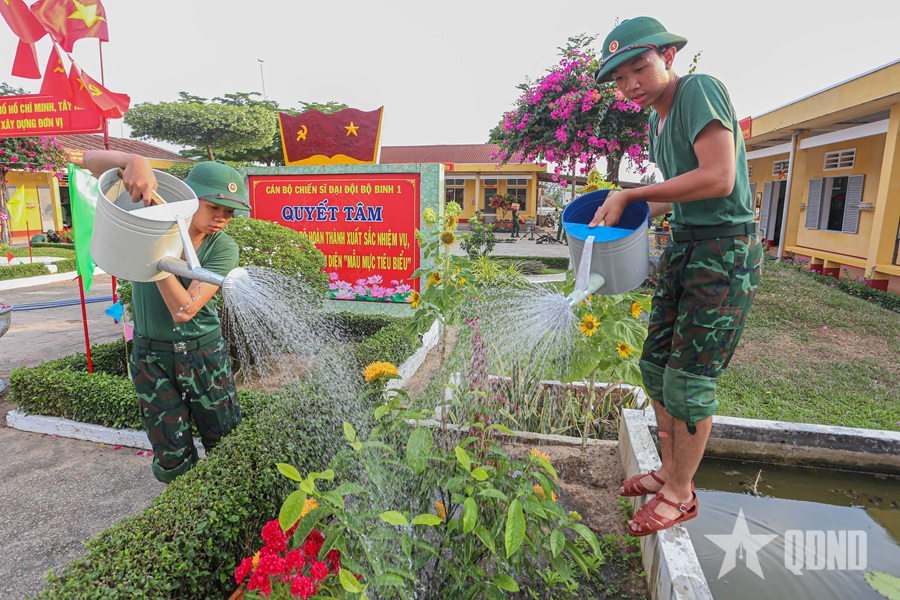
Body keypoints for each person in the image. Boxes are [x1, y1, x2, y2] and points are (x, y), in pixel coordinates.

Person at [590, 17, 762, 536]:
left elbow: (719, 176)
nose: (631, 85)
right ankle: (668, 470)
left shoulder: (699, 91)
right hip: (686, 247)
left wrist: (632, 193)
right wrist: (625, 218)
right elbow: (680, 191)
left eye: (639, 68)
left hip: (724, 251)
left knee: (689, 379)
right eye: (619, 79)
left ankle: (681, 494)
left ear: (668, 55)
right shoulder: (654, 122)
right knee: (655, 362)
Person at [84, 151, 248, 483]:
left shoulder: (221, 247)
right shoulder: (149, 218)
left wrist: (153, 255)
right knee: (172, 456)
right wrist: (132, 161)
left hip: (203, 356)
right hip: (151, 357)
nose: (221, 218)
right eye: (213, 207)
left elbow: (185, 309)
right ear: (189, 200)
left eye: (228, 212)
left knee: (227, 445)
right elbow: (88, 161)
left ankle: (226, 514)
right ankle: (183, 514)